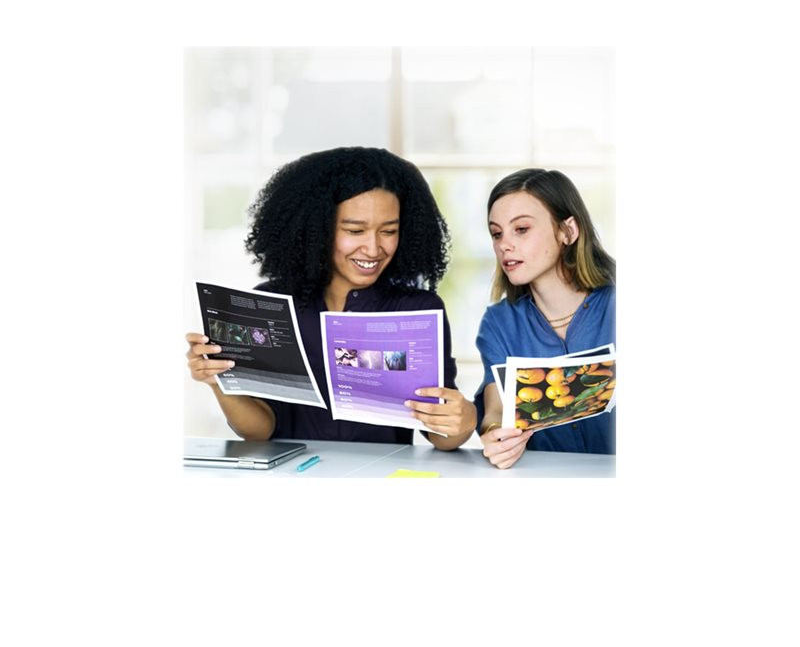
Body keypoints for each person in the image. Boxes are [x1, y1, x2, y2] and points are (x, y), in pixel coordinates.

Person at [186, 147, 477, 450]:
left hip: (382, 474)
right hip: (292, 473)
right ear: (318, 229)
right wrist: (219, 381)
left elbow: (441, 437)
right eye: (355, 230)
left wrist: (466, 418)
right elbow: (260, 432)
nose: (373, 248)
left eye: (389, 231)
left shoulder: (417, 309)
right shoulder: (272, 303)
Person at [475, 168, 615, 468]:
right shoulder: (498, 323)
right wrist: (495, 435)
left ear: (568, 231)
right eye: (497, 233)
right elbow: (495, 409)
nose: (504, 245)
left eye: (521, 229)